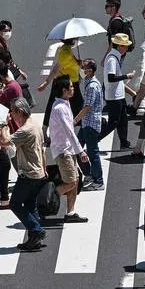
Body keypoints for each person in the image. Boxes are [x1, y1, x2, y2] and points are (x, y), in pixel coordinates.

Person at [7, 98, 48, 252]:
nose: (12, 115)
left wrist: (4, 125)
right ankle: (34, 239)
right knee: (30, 205)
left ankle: (36, 230)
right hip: (39, 173)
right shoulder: (36, 125)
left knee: (15, 204)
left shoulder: (24, 130)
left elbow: (5, 142)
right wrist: (44, 169)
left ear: (20, 112)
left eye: (13, 112)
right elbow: (42, 150)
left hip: (29, 174)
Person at [48, 75, 89, 224]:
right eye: (71, 87)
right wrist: (81, 151)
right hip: (64, 150)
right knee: (71, 182)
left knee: (75, 181)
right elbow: (69, 131)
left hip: (68, 149)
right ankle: (47, 199)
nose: (73, 88)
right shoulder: (60, 108)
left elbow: (68, 126)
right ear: (64, 90)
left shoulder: (63, 104)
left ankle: (70, 212)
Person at [101, 33, 137, 152]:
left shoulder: (115, 57)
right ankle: (94, 140)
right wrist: (126, 76)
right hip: (113, 96)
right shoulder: (112, 59)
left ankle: (124, 142)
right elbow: (111, 78)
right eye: (125, 46)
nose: (127, 49)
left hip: (118, 95)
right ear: (120, 46)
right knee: (113, 122)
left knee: (123, 120)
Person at [75, 59, 105, 190]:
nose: (81, 69)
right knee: (77, 147)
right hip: (87, 123)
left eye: (83, 67)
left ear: (90, 71)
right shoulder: (88, 81)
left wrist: (75, 120)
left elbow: (88, 106)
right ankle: (89, 173)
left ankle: (98, 181)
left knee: (93, 153)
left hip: (91, 123)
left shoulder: (93, 86)